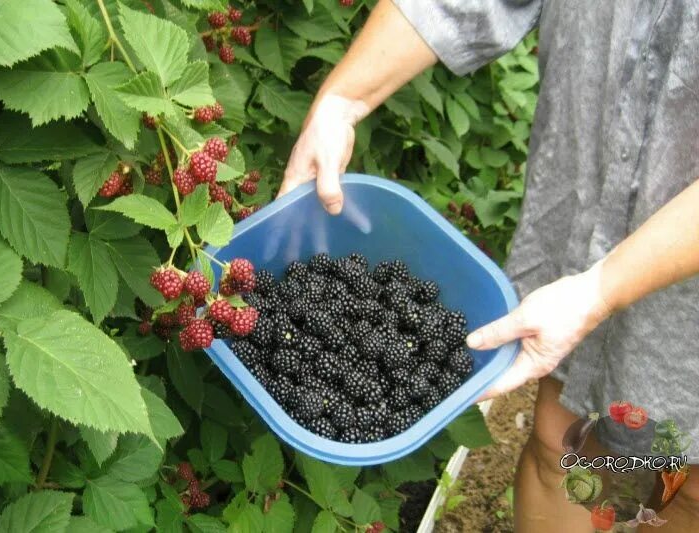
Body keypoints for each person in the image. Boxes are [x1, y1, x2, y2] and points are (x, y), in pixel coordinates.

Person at [277, 1, 699, 531]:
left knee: (683, 486)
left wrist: (602, 289)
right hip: (586, 199)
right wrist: (341, 101)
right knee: (565, 451)